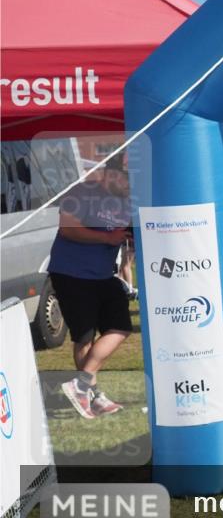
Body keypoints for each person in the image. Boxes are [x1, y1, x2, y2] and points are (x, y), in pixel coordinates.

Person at [49, 154, 132, 418]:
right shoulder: (83, 192)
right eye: (126, 178)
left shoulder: (128, 203)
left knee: (120, 326)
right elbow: (68, 228)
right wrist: (107, 238)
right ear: (110, 174)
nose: (130, 184)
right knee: (84, 337)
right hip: (71, 273)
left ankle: (81, 384)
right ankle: (93, 397)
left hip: (102, 276)